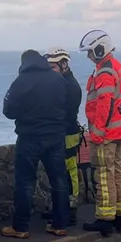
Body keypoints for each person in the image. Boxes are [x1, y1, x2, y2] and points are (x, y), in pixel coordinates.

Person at [0, 49, 79, 238]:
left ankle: (20, 227)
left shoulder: (22, 81)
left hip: (30, 137)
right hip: (56, 137)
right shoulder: (59, 80)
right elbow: (69, 108)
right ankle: (59, 224)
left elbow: (8, 110)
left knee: (25, 182)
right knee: (59, 181)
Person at [80, 29, 121, 237]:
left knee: (103, 175)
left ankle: (105, 219)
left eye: (90, 51)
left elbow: (105, 103)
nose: (88, 56)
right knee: (117, 172)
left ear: (100, 49)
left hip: (106, 134)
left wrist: (97, 132)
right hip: (119, 131)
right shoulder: (118, 67)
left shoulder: (104, 72)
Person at [45, 47, 84, 208]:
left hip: (68, 133)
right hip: (63, 132)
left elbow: (66, 112)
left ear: (64, 64)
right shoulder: (63, 82)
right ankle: (62, 204)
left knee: (69, 170)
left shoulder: (70, 86)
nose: (51, 71)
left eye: (53, 67)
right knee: (61, 171)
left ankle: (70, 204)